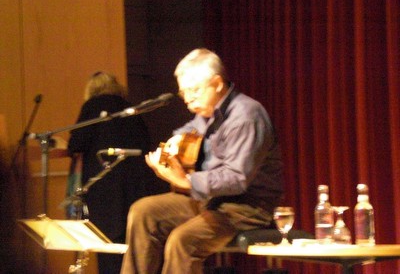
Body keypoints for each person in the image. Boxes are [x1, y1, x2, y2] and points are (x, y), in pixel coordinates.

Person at [120, 48, 284, 274]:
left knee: (182, 241)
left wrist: (188, 181)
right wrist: (171, 146)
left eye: (194, 91)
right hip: (210, 200)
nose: (188, 99)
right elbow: (188, 131)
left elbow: (237, 178)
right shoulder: (206, 113)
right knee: (144, 211)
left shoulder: (246, 116)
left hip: (246, 207)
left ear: (217, 83)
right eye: (183, 93)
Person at [68, 71, 157, 274]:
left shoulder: (91, 107)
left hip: (104, 189)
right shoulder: (131, 109)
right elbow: (145, 142)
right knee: (133, 247)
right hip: (135, 188)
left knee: (107, 247)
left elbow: (76, 143)